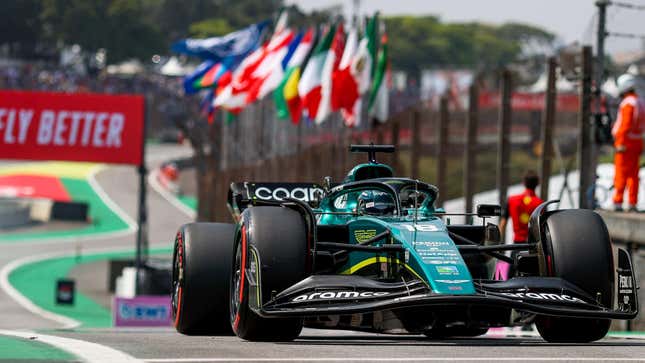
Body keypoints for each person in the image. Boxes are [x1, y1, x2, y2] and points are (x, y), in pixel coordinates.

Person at [495, 171, 544, 280]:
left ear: (524, 183)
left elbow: (502, 225)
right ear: (538, 184)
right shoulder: (540, 204)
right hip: (532, 250)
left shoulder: (512, 200)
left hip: (516, 247)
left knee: (509, 281)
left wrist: (499, 246)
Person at [612, 74, 645, 212]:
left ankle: (618, 202)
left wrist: (619, 142)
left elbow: (625, 125)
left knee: (621, 173)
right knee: (633, 175)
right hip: (637, 142)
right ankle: (632, 203)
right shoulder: (641, 101)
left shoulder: (628, 103)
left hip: (625, 144)